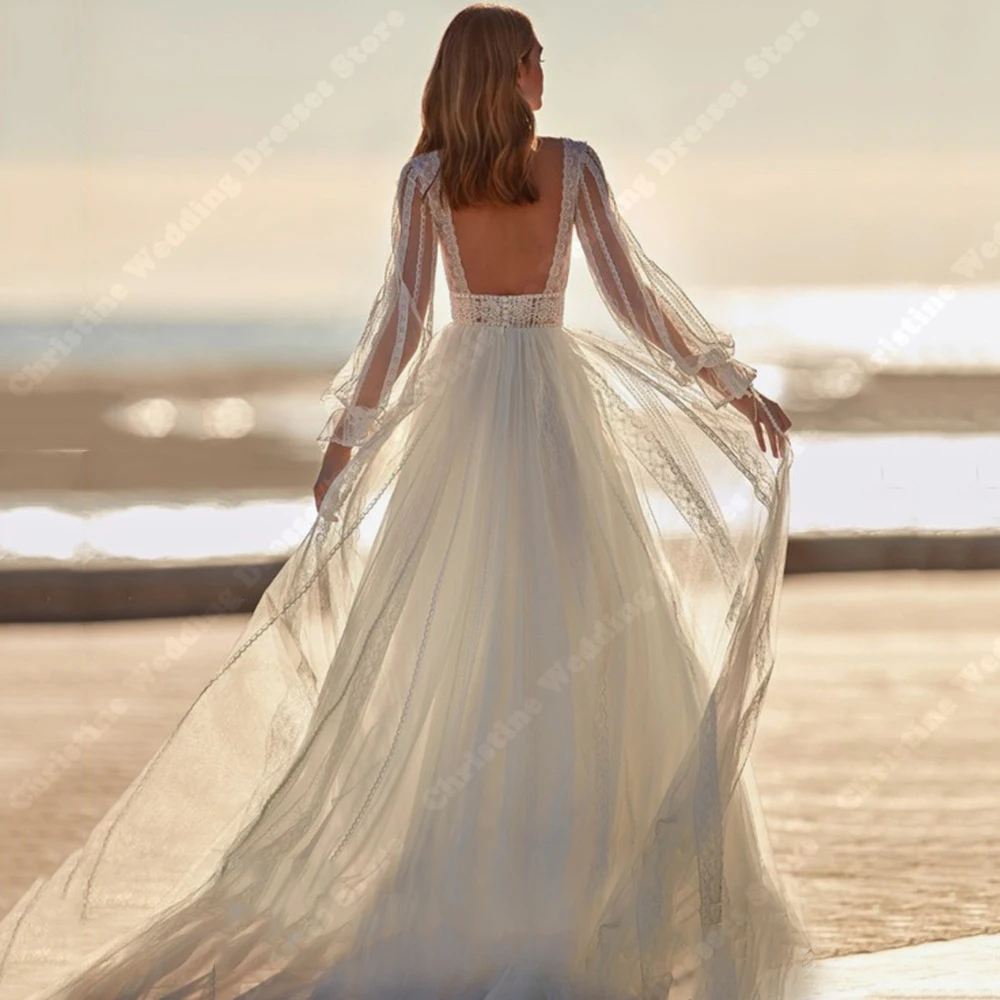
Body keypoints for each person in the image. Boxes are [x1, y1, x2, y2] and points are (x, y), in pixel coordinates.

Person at [0, 5, 812, 998]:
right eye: (535, 59)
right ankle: (583, 884)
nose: (545, 73)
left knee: (470, 644)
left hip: (465, 418)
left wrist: (349, 438)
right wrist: (727, 383)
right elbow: (632, 300)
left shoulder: (426, 181)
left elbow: (402, 326)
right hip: (556, 417)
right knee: (583, 626)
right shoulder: (572, 166)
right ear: (508, 73)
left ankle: (495, 881)